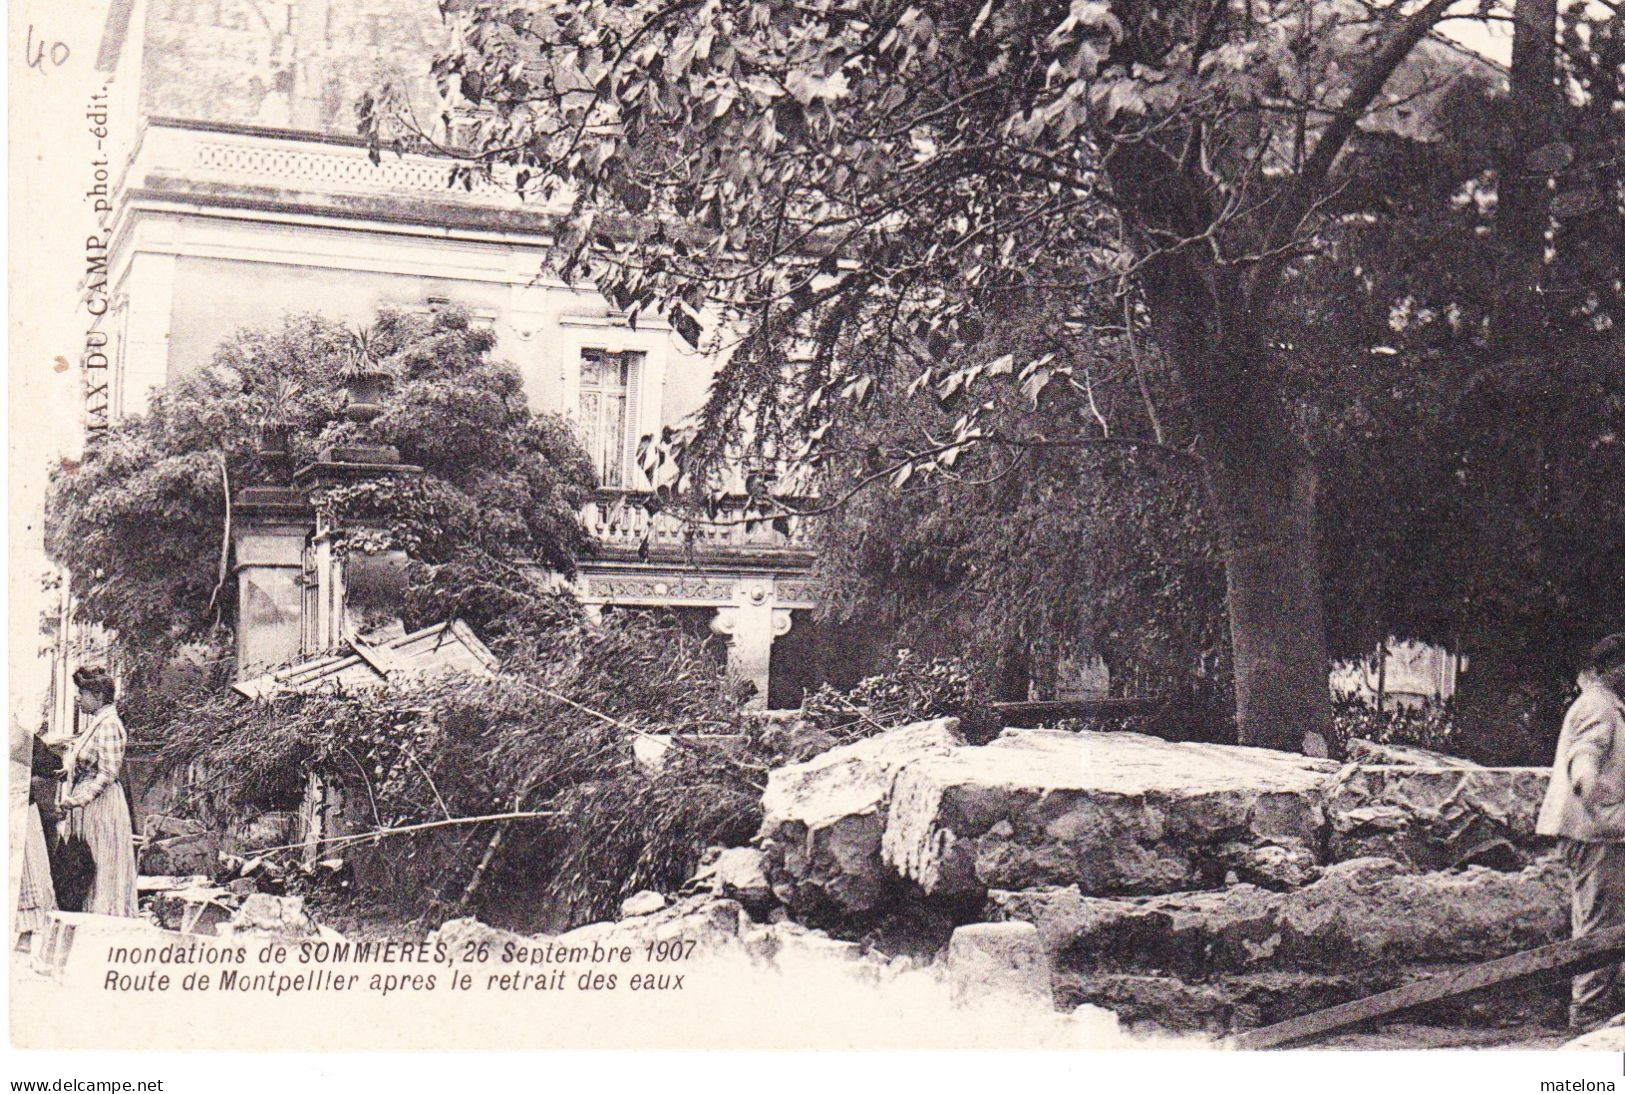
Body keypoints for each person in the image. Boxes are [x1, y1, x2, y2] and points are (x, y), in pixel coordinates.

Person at [1536, 632, 1625, 1030]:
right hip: (1595, 835)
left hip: (1602, 833)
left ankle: (1597, 1009)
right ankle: (1587, 1016)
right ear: (1610, 668)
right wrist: (1596, 799)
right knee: (1597, 924)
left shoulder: (1611, 706)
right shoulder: (1598, 707)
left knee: (1602, 919)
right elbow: (1584, 760)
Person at [57, 666, 138, 918]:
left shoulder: (109, 725)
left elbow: (107, 773)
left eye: (82, 692)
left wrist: (80, 799)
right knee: (83, 862)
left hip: (100, 805)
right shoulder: (97, 723)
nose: (78, 698)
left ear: (99, 695)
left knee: (99, 862)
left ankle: (103, 917)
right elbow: (87, 761)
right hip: (87, 805)